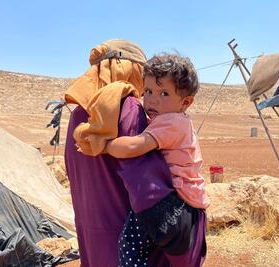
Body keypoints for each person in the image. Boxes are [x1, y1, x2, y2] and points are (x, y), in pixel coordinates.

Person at [64, 39, 206, 267]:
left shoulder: (78, 116)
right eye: (146, 83)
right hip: (131, 244)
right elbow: (151, 190)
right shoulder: (127, 109)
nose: (146, 94)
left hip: (92, 244)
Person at [103, 53, 209, 266]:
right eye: (148, 91)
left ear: (185, 102)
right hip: (188, 204)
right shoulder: (179, 122)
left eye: (164, 93)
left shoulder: (170, 122)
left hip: (171, 203)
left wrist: (104, 145)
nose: (152, 99)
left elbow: (135, 146)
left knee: (130, 245)